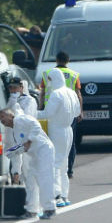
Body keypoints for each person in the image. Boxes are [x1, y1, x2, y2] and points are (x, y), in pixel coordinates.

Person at [0, 108, 56, 219]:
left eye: (3, 117)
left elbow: (36, 125)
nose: (1, 120)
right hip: (34, 155)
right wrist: (9, 153)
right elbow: (22, 147)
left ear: (11, 115)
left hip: (44, 150)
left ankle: (50, 208)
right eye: (0, 118)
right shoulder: (14, 131)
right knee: (31, 180)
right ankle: (32, 210)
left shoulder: (21, 118)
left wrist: (29, 140)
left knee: (44, 179)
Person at [37, 69, 80, 207]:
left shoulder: (56, 94)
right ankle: (64, 195)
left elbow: (47, 113)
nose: (48, 83)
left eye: (49, 80)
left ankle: (56, 196)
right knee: (64, 164)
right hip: (69, 129)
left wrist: (31, 113)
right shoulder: (71, 92)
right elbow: (77, 112)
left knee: (54, 163)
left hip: (57, 129)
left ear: (54, 79)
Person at [40, 51, 82, 179]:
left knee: (48, 142)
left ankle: (51, 169)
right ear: (68, 60)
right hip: (69, 113)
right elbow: (78, 94)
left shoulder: (47, 74)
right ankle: (69, 170)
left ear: (56, 60)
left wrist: (40, 108)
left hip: (50, 114)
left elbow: (42, 93)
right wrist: (80, 111)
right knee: (70, 142)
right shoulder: (74, 75)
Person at [6, 77, 38, 186]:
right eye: (11, 88)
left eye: (15, 88)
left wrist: (15, 104)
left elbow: (26, 117)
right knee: (16, 165)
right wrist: (12, 102)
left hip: (26, 138)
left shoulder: (29, 100)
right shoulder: (10, 100)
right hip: (13, 138)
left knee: (27, 169)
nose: (13, 91)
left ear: (21, 88)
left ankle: (30, 197)